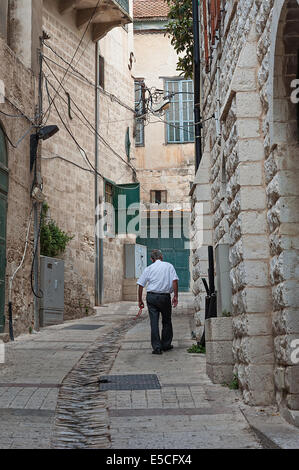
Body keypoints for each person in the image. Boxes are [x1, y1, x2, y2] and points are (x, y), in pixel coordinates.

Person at [137, 249, 179, 355]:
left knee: (154, 322)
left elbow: (141, 285)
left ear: (152, 259)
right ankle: (166, 344)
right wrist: (175, 296)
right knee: (166, 321)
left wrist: (140, 300)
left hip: (151, 297)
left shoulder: (148, 268)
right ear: (162, 257)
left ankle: (157, 347)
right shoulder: (169, 266)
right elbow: (174, 281)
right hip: (164, 297)